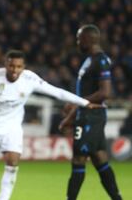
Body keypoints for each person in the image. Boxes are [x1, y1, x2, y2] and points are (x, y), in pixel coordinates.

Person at [0, 49, 102, 200]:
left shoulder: (29, 79)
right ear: (6, 64)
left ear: (23, 67)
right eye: (11, 66)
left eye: (19, 67)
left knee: (12, 162)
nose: (14, 70)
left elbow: (57, 92)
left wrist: (84, 102)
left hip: (13, 127)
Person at [59, 24, 123, 200]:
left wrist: (77, 104)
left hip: (91, 118)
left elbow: (105, 92)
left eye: (80, 38)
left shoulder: (100, 60)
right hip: (87, 115)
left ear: (88, 39)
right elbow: (86, 96)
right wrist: (73, 112)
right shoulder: (90, 60)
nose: (78, 42)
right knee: (100, 159)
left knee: (79, 160)